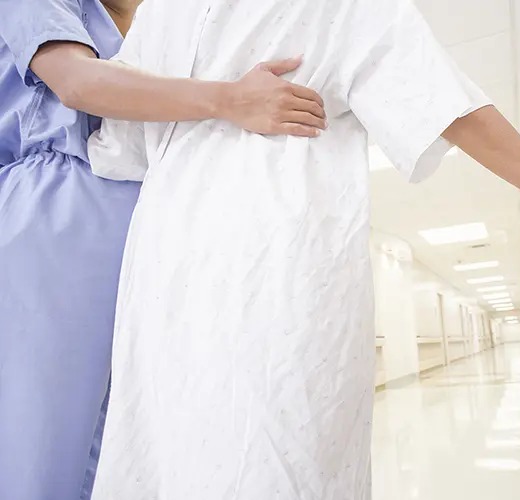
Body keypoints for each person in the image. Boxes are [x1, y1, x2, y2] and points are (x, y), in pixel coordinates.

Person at [87, 0, 520, 498]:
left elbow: (442, 101)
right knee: (174, 454)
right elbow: (115, 136)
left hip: (271, 266)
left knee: (268, 458)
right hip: (170, 278)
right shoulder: (161, 15)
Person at [0, 0, 327, 499]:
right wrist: (230, 99)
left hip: (145, 216)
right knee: (46, 441)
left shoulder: (154, 25)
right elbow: (78, 84)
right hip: (61, 208)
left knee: (123, 443)